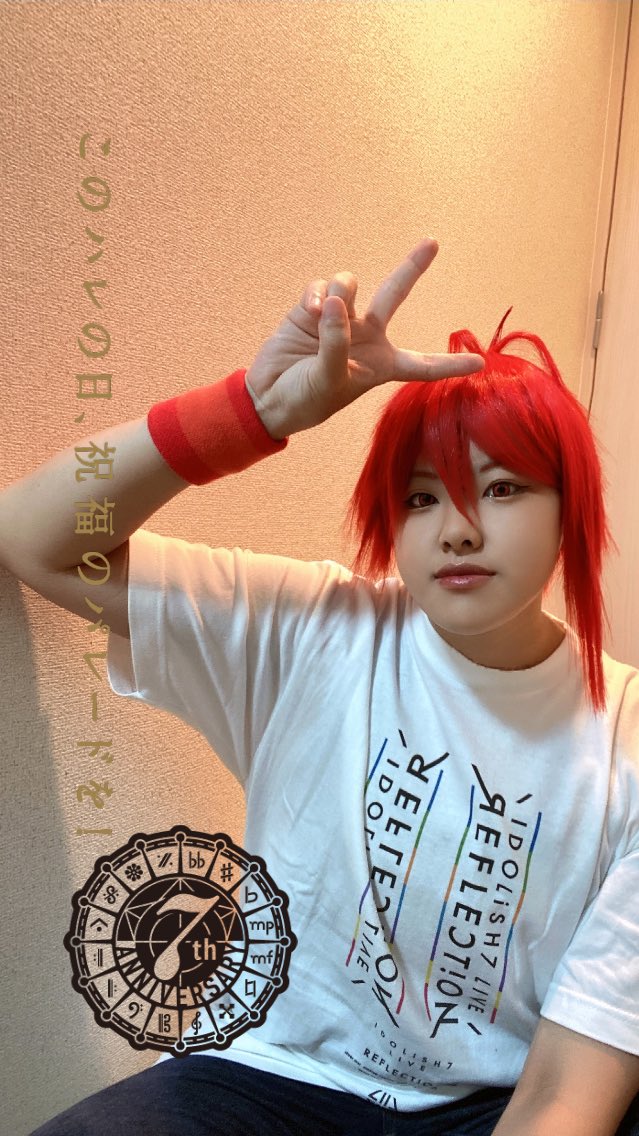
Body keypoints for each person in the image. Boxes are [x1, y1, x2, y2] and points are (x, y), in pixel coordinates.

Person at [2, 237, 639, 1136]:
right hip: (264, 1075)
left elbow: (565, 1090)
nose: (456, 529)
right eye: (420, 497)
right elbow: (34, 535)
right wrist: (248, 412)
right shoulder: (314, 631)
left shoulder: (624, 739)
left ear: (569, 506)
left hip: (490, 1102)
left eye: (500, 489)